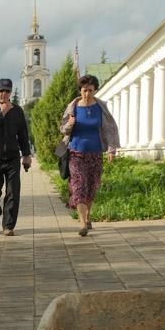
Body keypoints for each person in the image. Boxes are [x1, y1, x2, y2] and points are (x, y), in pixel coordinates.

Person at [58, 74, 120, 237]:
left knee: (91, 186)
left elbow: (109, 129)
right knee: (79, 187)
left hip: (95, 153)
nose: (87, 94)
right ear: (80, 90)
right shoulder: (73, 107)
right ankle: (82, 223)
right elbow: (63, 129)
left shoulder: (100, 107)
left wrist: (111, 150)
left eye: (90, 91)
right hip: (76, 153)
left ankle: (88, 215)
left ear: (95, 90)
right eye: (84, 90)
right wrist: (69, 125)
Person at [0, 78, 32, 236]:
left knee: (13, 193)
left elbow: (23, 134)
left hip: (12, 157)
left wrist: (27, 155)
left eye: (7, 91)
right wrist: (3, 111)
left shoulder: (17, 111)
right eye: (1, 90)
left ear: (10, 92)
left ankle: (8, 226)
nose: (4, 94)